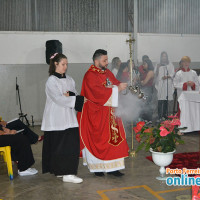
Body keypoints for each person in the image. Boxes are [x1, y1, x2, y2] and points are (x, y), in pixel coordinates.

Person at [77, 49, 129, 177]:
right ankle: (97, 168)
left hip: (110, 113)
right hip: (96, 114)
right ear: (96, 61)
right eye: (104, 60)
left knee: (114, 139)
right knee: (98, 139)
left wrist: (121, 86)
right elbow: (97, 94)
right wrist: (117, 89)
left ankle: (113, 168)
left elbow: (115, 84)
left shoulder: (107, 73)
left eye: (107, 60)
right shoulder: (90, 75)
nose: (107, 62)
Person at [41, 53, 85, 183]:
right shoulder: (51, 81)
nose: (65, 67)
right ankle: (66, 173)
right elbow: (58, 98)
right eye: (63, 64)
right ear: (56, 64)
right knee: (59, 147)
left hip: (69, 117)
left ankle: (65, 171)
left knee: (70, 146)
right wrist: (72, 98)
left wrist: (71, 95)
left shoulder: (70, 79)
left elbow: (75, 94)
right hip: (57, 118)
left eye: (66, 64)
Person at [154, 52, 175, 120]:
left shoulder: (170, 64)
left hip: (167, 84)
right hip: (160, 84)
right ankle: (159, 115)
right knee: (160, 100)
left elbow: (172, 73)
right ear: (161, 57)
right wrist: (158, 68)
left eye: (165, 56)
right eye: (163, 56)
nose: (164, 58)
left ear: (167, 57)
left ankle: (164, 114)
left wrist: (167, 76)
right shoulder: (158, 64)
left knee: (166, 100)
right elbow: (156, 74)